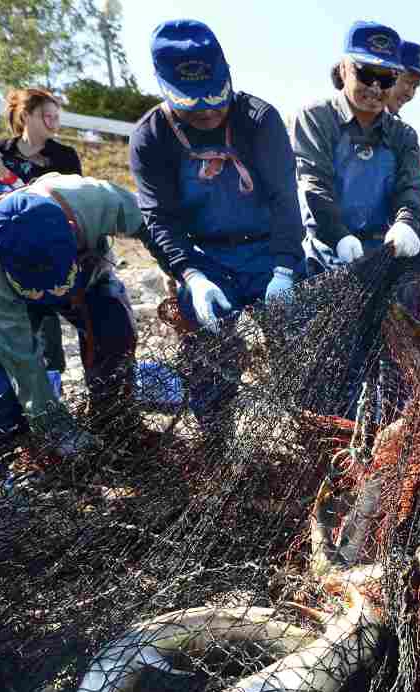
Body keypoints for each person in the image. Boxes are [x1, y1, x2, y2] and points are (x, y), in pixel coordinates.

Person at [131, 19, 303, 438]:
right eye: (192, 102)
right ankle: (217, 441)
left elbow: (285, 198)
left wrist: (284, 268)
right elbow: (159, 220)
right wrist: (190, 275)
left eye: (215, 96)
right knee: (208, 361)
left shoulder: (259, 119)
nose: (207, 110)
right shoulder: (149, 137)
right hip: (206, 259)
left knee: (300, 351)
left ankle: (316, 433)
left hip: (268, 251)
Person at [291, 22, 420, 417]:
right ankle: (328, 440)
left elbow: (410, 190)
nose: (375, 87)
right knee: (329, 360)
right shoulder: (315, 117)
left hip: (383, 258)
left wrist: (406, 222)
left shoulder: (403, 135)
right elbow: (313, 184)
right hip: (328, 259)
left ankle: (386, 437)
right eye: (365, 74)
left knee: (392, 360)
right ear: (344, 69)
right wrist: (338, 236)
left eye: (385, 78)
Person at [0, 175, 143, 458]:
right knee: (4, 382)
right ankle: (22, 448)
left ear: (72, 229)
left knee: (115, 337)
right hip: (17, 304)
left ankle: (115, 427)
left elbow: (154, 226)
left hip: (90, 282)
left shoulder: (94, 199)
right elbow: (21, 358)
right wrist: (55, 427)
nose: (50, 291)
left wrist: (188, 273)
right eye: (37, 286)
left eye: (56, 282)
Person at [0, 88, 84, 392]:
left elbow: (77, 201)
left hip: (58, 252)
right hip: (10, 257)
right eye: (46, 116)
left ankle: (88, 388)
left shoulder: (64, 156)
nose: (53, 123)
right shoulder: (1, 154)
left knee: (87, 316)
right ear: (25, 116)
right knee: (23, 327)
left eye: (57, 117)